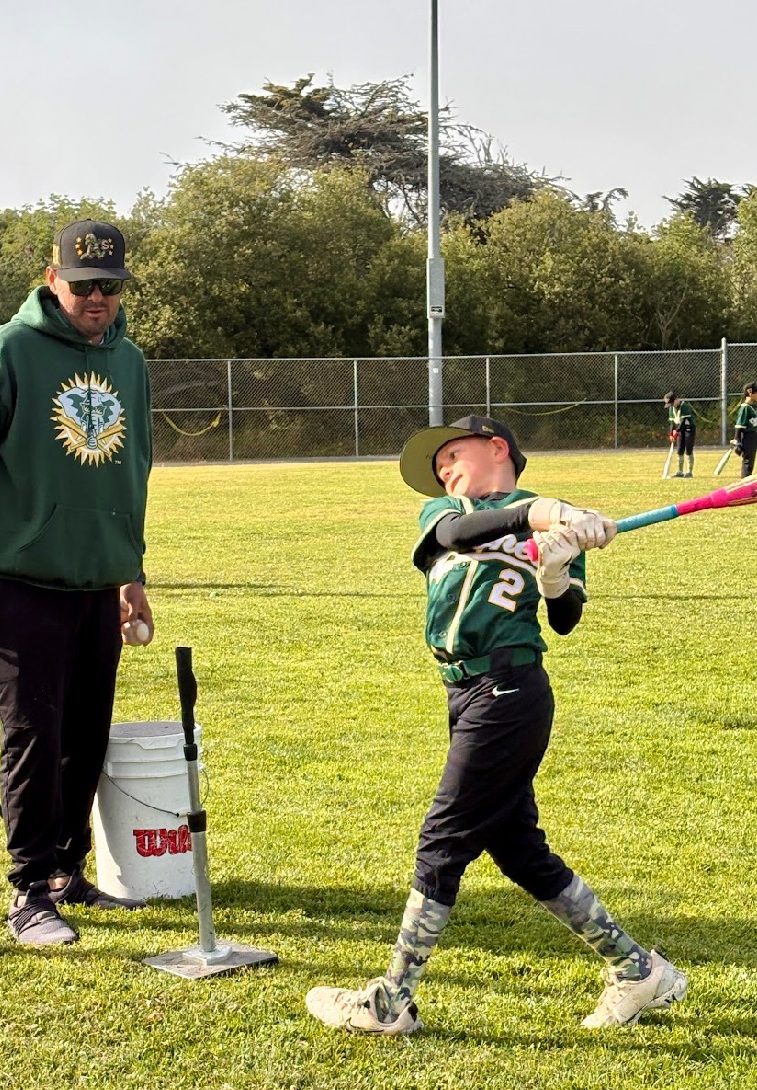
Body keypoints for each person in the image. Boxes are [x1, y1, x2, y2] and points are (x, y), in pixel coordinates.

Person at [305, 416, 687, 1034]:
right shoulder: (449, 514)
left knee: (443, 839)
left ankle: (391, 1002)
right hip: (465, 692)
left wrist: (556, 572)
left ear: (496, 447)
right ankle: (638, 969)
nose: (444, 472)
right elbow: (458, 534)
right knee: (518, 850)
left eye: (452, 456)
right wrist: (543, 513)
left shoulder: (556, 523)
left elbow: (564, 618)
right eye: (439, 469)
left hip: (510, 691)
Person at [0, 219, 154, 947]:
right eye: (83, 284)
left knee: (85, 738)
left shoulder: (131, 363)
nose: (97, 298)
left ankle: (66, 872)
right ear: (52, 278)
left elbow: (134, 473)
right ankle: (28, 891)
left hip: (99, 583)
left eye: (110, 286)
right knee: (34, 735)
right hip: (22, 582)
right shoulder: (10, 349)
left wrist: (131, 572)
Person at [663, 391, 697, 478]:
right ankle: (680, 471)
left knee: (688, 449)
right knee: (679, 450)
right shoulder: (671, 408)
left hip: (689, 429)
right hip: (680, 430)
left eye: (672, 403)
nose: (671, 406)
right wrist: (671, 433)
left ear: (676, 400)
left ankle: (689, 472)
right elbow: (672, 422)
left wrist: (676, 431)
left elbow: (683, 422)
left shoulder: (684, 406)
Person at [732, 382, 757, 477]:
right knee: (748, 461)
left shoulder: (753, 407)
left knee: (751, 460)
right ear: (750, 392)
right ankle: (745, 480)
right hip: (748, 437)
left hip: (754, 435)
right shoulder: (745, 408)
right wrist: (737, 441)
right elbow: (739, 426)